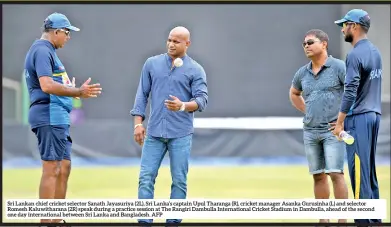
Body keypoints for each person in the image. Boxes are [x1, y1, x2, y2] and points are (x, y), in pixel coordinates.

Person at [24, 12, 102, 223]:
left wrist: (68, 88)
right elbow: (46, 86)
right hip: (48, 113)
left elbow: (54, 84)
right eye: (67, 33)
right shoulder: (42, 50)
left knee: (64, 167)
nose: (68, 37)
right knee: (52, 167)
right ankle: (46, 220)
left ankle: (57, 218)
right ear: (56, 31)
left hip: (57, 116)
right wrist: (77, 91)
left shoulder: (48, 51)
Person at [130, 26, 208, 224]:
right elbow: (142, 95)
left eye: (177, 41)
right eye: (169, 40)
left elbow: (202, 100)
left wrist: (182, 106)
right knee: (146, 178)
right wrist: (137, 124)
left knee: (179, 181)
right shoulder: (152, 64)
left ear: (187, 44)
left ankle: (173, 221)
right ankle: (144, 221)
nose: (171, 44)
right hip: (154, 133)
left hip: (181, 134)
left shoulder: (195, 69)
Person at [289, 29, 348, 223]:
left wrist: (342, 120)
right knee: (318, 176)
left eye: (310, 42)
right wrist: (308, 112)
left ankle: (342, 220)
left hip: (333, 130)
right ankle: (324, 220)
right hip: (310, 131)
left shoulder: (339, 67)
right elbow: (294, 93)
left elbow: (353, 92)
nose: (306, 46)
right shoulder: (302, 72)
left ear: (324, 44)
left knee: (335, 173)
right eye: (304, 44)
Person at [331, 9, 382, 224]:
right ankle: (375, 220)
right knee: (369, 173)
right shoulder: (375, 51)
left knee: (359, 173)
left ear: (355, 26)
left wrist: (340, 122)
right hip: (373, 115)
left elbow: (350, 91)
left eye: (345, 24)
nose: (342, 28)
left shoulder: (354, 54)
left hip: (358, 118)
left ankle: (363, 222)